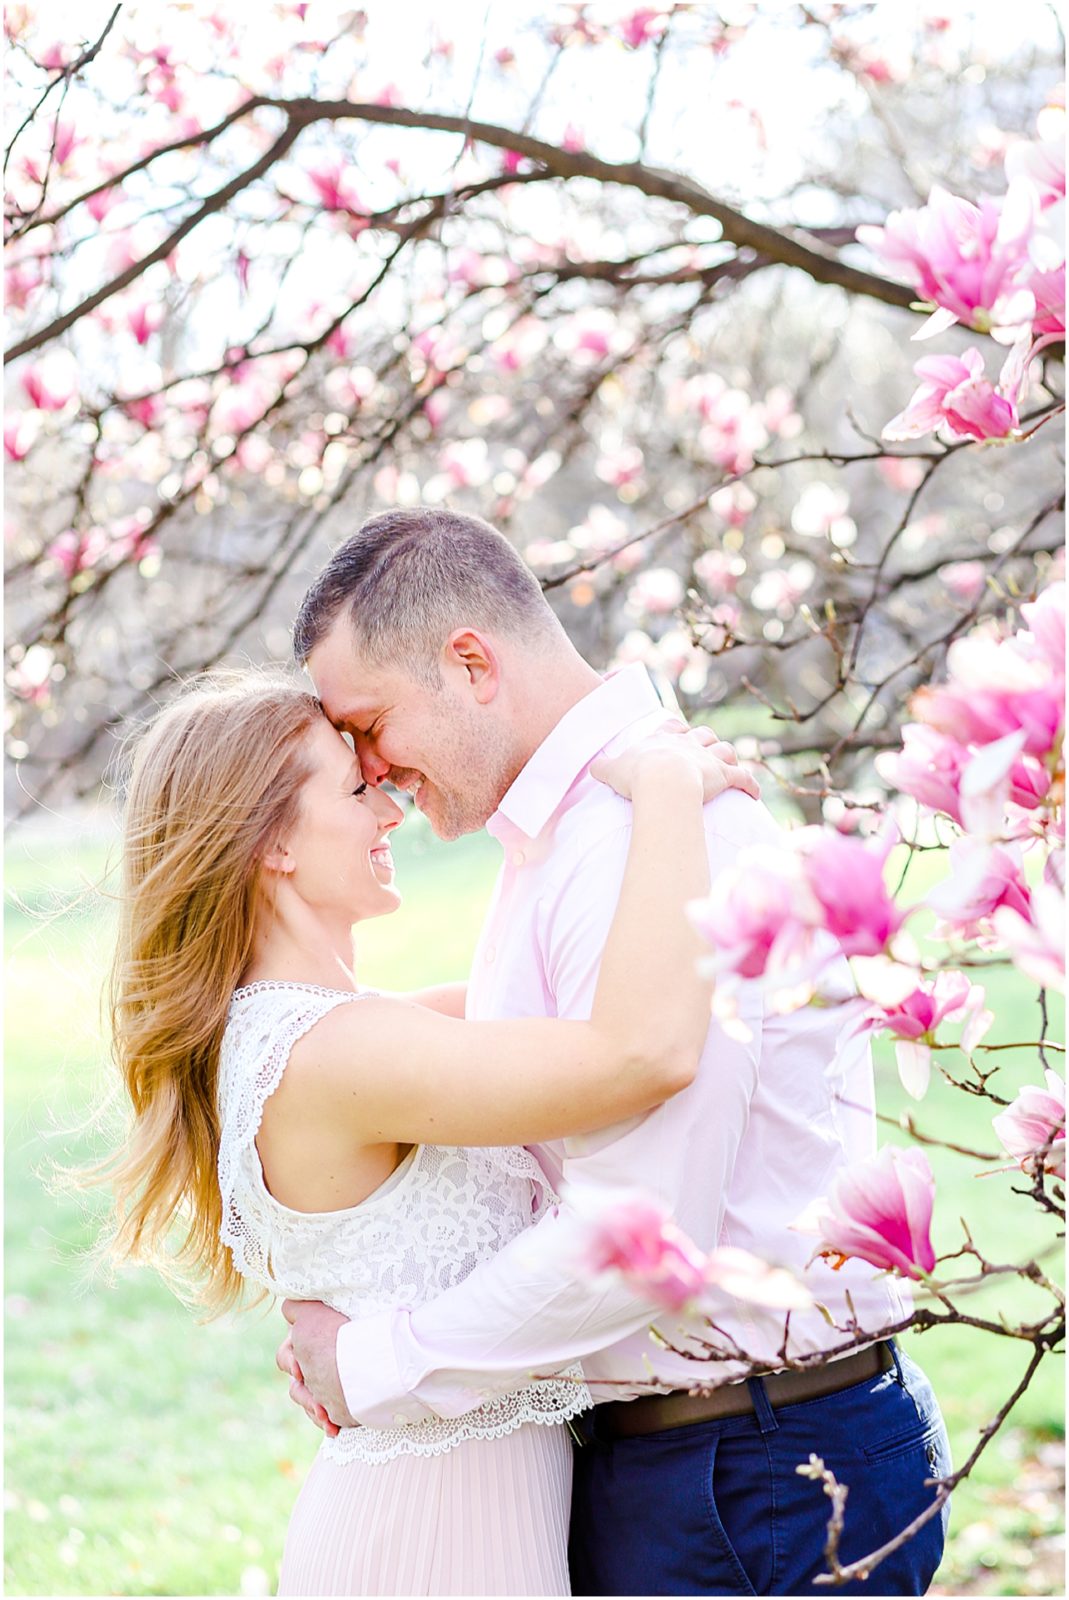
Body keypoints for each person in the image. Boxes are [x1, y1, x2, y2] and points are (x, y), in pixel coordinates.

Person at [281, 506, 952, 1597]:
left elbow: (642, 1236)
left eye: (369, 724)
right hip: (710, 1459)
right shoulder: (578, 834)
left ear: (468, 663)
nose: (371, 773)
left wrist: (373, 1365)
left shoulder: (638, 839)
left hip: (753, 1475)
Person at [103, 670, 755, 1596]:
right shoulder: (339, 1051)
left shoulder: (337, 1030)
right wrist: (664, 791)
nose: (391, 810)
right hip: (429, 1542)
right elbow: (635, 1053)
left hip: (456, 1520)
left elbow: (562, 1007)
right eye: (356, 788)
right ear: (272, 841)